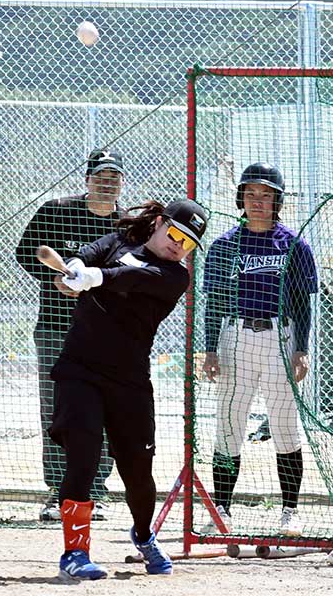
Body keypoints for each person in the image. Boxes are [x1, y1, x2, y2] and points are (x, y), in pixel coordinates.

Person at [50, 198, 209, 579]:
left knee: (138, 471)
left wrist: (95, 278)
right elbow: (86, 255)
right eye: (175, 235)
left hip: (129, 381)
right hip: (80, 370)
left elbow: (132, 279)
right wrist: (74, 269)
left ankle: (143, 534)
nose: (178, 246)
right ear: (159, 223)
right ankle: (75, 552)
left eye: (188, 244)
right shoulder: (117, 242)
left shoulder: (175, 277)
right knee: (83, 455)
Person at [201, 162, 318, 537]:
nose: (257, 201)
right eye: (250, 194)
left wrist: (301, 348)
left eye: (266, 195)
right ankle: (222, 509)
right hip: (236, 335)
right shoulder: (224, 245)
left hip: (279, 336)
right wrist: (210, 349)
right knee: (229, 424)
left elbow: (301, 303)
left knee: (284, 425)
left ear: (277, 201)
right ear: (240, 198)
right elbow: (214, 302)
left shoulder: (294, 245)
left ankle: (289, 511)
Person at [15, 148, 122, 521]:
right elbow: (28, 253)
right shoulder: (56, 211)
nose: (107, 184)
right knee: (58, 408)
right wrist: (56, 279)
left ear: (122, 183)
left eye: (114, 178)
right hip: (56, 327)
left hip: (107, 333)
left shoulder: (127, 225)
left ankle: (95, 491)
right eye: (100, 177)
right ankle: (58, 492)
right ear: (88, 180)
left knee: (103, 410)